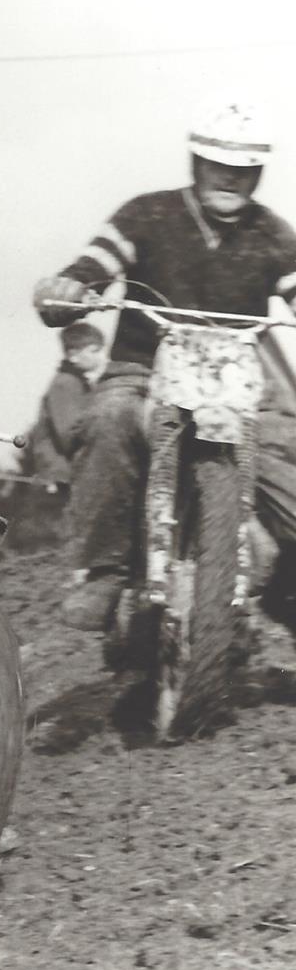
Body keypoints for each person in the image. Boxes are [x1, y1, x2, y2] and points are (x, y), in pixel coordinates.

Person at [33, 97, 296, 630]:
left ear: (259, 174)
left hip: (237, 385)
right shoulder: (146, 215)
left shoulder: (272, 235)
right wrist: (69, 290)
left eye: (244, 169)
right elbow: (93, 266)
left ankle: (280, 596)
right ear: (196, 163)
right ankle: (103, 569)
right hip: (142, 371)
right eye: (219, 165)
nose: (230, 179)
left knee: (287, 452)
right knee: (107, 421)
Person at [26, 322, 106, 493]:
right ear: (73, 355)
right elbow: (71, 434)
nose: (102, 357)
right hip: (60, 478)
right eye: (94, 351)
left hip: (67, 475)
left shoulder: (77, 383)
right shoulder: (66, 383)